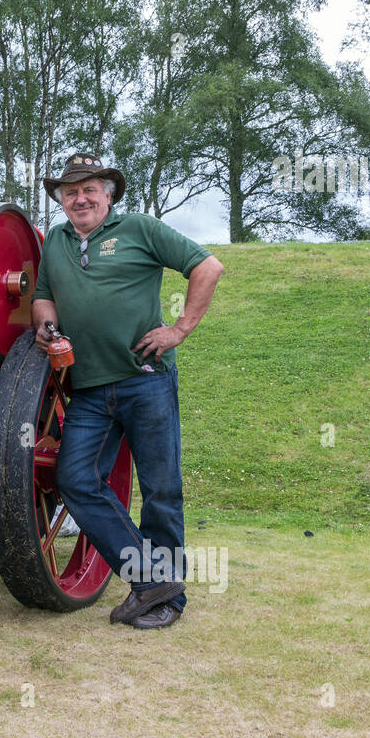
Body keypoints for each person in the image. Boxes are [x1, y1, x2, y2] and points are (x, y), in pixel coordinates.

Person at [32, 153, 224, 629]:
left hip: (146, 379)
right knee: (76, 481)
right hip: (89, 389)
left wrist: (178, 330)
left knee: (160, 489)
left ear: (108, 193)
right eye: (70, 191)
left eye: (89, 189)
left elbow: (208, 266)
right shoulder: (54, 241)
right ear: (61, 199)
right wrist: (47, 325)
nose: (80, 198)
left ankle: (165, 602)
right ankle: (152, 580)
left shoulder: (139, 228)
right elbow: (42, 296)